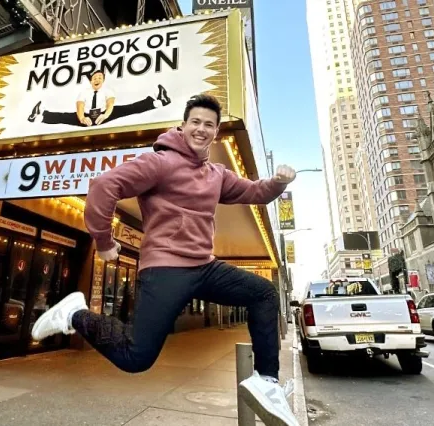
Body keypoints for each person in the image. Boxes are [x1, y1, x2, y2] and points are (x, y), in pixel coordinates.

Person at [31, 94, 299, 426]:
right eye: (196, 122)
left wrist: (278, 183)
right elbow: (104, 185)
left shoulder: (216, 174)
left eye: (209, 125)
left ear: (216, 133)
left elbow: (255, 192)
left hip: (204, 265)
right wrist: (103, 240)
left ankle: (267, 382)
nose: (202, 129)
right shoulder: (160, 162)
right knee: (135, 358)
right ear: (183, 125)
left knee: (264, 292)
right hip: (166, 268)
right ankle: (75, 313)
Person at [27, 70, 171, 127]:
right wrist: (82, 118)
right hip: (87, 116)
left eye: (100, 78)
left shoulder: (107, 90)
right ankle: (38, 117)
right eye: (95, 78)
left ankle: (158, 101)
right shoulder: (84, 92)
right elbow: (80, 106)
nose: (97, 79)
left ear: (103, 80)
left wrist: (105, 115)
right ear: (91, 80)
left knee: (128, 109)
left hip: (104, 113)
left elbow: (110, 104)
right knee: (64, 117)